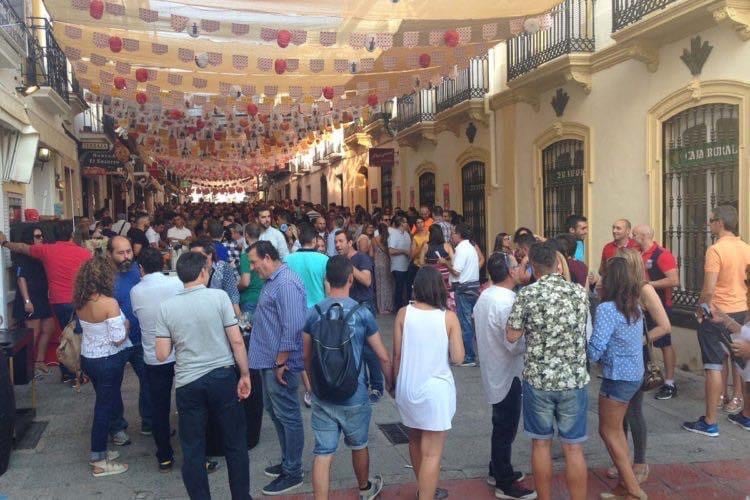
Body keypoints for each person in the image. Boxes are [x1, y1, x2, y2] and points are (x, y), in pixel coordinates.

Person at [154, 252, 252, 500]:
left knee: (193, 450)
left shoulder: (166, 307)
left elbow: (162, 354)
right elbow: (236, 341)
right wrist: (245, 374)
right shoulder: (218, 298)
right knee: (235, 444)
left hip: (188, 383)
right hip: (222, 377)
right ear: (202, 273)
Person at [303, 256, 392, 500]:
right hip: (354, 393)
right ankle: (365, 489)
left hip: (323, 396)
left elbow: (306, 357)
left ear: (326, 280)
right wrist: (390, 383)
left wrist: (312, 387)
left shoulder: (313, 313)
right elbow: (382, 356)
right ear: (351, 279)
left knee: (323, 452)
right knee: (359, 444)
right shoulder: (361, 313)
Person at [506, 241, 590, 500]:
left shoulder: (527, 295)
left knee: (540, 444)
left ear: (533, 266)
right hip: (573, 379)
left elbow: (511, 336)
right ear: (557, 264)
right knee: (573, 449)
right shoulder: (578, 293)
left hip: (539, 380)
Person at [393, 266, 464, 500]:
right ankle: (427, 494)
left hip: (407, 387)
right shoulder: (448, 317)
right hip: (435, 391)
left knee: (414, 439)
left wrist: (392, 383)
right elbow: (458, 357)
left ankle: (424, 487)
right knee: (432, 454)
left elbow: (397, 355)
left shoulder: (404, 313)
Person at [605, 248, 671, 486]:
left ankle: (640, 461)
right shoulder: (614, 289)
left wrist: (638, 341)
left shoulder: (644, 289)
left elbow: (664, 325)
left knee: (633, 409)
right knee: (615, 411)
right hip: (616, 357)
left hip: (637, 356)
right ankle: (621, 457)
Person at [474, 253, 536, 500]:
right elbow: (513, 343)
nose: (522, 267)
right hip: (507, 371)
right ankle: (504, 481)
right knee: (505, 426)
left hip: (495, 368)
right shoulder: (507, 301)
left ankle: (498, 468)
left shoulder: (487, 295)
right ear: (511, 272)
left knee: (501, 423)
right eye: (518, 264)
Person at [684, 205, 750, 437]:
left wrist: (701, 310)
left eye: (711, 220)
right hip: (741, 310)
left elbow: (709, 289)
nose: (709, 224)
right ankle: (745, 415)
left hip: (718, 313)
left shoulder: (716, 250)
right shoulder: (746, 248)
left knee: (713, 364)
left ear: (720, 223)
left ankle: (710, 421)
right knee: (743, 363)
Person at [247, 241, 307, 495]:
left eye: (254, 262)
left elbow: (293, 327)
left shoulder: (285, 283)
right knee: (277, 413)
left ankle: (293, 471)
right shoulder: (274, 281)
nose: (252, 268)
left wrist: (281, 362)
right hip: (268, 360)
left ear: (268, 257)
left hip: (279, 364)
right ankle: (287, 461)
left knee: (288, 415)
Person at [588, 257, 647, 500]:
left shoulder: (607, 309)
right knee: (617, 431)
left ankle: (633, 489)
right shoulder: (635, 306)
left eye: (603, 275)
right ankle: (625, 485)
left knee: (609, 431)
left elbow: (595, 349)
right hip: (634, 374)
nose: (600, 279)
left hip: (617, 377)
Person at [74, 257, 131, 477]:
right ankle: (98, 457)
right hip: (107, 359)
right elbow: (117, 338)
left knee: (104, 402)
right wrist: (126, 325)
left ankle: (103, 451)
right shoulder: (109, 303)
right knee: (103, 408)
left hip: (89, 357)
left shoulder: (80, 300)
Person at [130, 248, 183, 471]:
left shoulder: (136, 291)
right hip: (180, 352)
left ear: (140, 268)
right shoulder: (177, 284)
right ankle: (194, 452)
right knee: (187, 404)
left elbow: (136, 315)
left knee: (159, 408)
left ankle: (164, 455)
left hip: (154, 356)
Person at [108, 236, 151, 443]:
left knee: (148, 379)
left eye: (128, 252)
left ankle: (149, 421)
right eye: (120, 253)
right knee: (112, 385)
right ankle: (117, 427)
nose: (126, 257)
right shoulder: (104, 277)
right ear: (110, 254)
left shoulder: (138, 270)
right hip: (114, 342)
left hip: (139, 338)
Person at [631, 224, 680, 400]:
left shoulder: (662, 254)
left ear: (643, 236)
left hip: (660, 304)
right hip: (641, 306)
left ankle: (669, 382)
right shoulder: (637, 253)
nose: (632, 237)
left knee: (664, 343)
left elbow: (674, 280)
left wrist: (648, 286)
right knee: (644, 341)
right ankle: (646, 376)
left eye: (634, 234)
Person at [335, 229, 384, 404]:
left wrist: (349, 267)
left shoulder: (361, 258)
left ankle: (377, 386)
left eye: (341, 241)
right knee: (353, 349)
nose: (337, 245)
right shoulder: (339, 261)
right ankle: (361, 384)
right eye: (336, 242)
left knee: (369, 350)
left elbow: (367, 280)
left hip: (364, 307)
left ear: (350, 242)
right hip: (348, 308)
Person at [12, 227, 55, 379]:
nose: (41, 238)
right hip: (29, 297)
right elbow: (20, 278)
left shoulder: (41, 254)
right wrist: (27, 300)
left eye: (42, 236)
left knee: (48, 327)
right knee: (33, 333)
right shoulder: (22, 257)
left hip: (42, 296)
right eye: (37, 236)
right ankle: (28, 366)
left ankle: (39, 361)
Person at [440, 223, 480, 367]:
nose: (452, 235)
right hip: (473, 287)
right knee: (469, 322)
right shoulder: (470, 247)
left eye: (453, 233)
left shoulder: (462, 249)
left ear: (459, 235)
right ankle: (470, 353)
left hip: (463, 288)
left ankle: (469, 355)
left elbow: (456, 271)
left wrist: (445, 263)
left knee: (465, 323)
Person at [190, 238, 242, 317]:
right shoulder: (190, 269)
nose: (194, 258)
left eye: (198, 255)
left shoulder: (223, 267)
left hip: (219, 312)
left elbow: (232, 294)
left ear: (210, 254)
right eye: (192, 255)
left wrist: (239, 317)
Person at [422, 224, 456, 311]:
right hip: (445, 274)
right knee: (445, 293)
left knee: (432, 293)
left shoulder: (426, 246)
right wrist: (445, 262)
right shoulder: (447, 245)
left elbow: (421, 262)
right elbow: (453, 261)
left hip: (431, 274)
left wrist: (429, 264)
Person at [239, 223, 265, 320]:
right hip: (265, 298)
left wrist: (236, 288)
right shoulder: (266, 253)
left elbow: (245, 282)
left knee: (250, 333)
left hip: (249, 300)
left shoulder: (247, 256)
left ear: (246, 235)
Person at [389, 216, 412, 311]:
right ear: (402, 223)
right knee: (399, 287)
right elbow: (390, 250)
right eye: (406, 222)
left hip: (407, 264)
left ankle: (406, 306)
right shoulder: (394, 234)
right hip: (397, 266)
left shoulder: (406, 234)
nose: (407, 224)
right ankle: (398, 308)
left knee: (407, 287)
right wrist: (403, 251)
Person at [372, 222, 394, 314]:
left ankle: (380, 307)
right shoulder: (387, 239)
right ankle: (387, 306)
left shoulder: (374, 239)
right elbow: (388, 252)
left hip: (377, 263)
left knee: (379, 285)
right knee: (387, 285)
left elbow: (372, 253)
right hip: (386, 262)